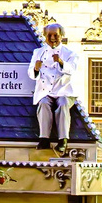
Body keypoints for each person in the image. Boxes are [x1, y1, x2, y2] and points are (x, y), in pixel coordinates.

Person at [28, 22, 78, 152]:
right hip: (45, 91)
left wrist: (61, 62)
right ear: (45, 36)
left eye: (55, 35)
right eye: (49, 35)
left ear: (61, 35)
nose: (52, 38)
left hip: (63, 91)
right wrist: (35, 68)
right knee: (43, 103)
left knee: (63, 104)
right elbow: (31, 74)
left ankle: (63, 140)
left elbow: (72, 69)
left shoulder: (70, 53)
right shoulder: (38, 52)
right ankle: (44, 138)